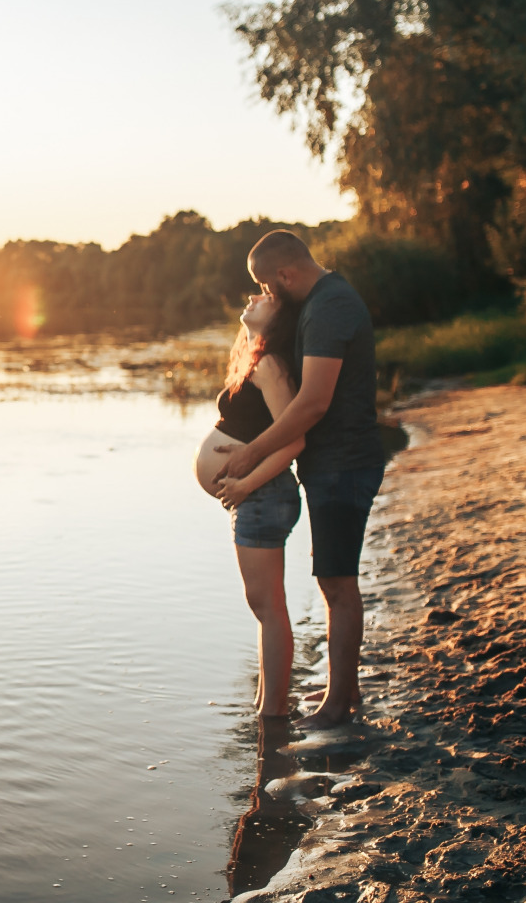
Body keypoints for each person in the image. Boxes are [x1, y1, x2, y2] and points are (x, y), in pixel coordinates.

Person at [218, 230, 385, 729]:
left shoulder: (330, 306)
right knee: (331, 576)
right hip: (332, 464)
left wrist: (251, 454)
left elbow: (312, 402)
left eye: (269, 286)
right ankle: (344, 683)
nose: (268, 295)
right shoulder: (321, 302)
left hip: (345, 463)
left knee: (336, 581)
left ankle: (339, 704)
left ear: (286, 274)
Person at [194, 290, 305, 717]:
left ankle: (274, 710)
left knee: (269, 608)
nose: (255, 297)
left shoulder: (271, 365)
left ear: (280, 318)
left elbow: (294, 438)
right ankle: (267, 704)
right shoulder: (255, 359)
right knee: (264, 606)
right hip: (253, 497)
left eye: (267, 296)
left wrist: (245, 485)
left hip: (262, 494)